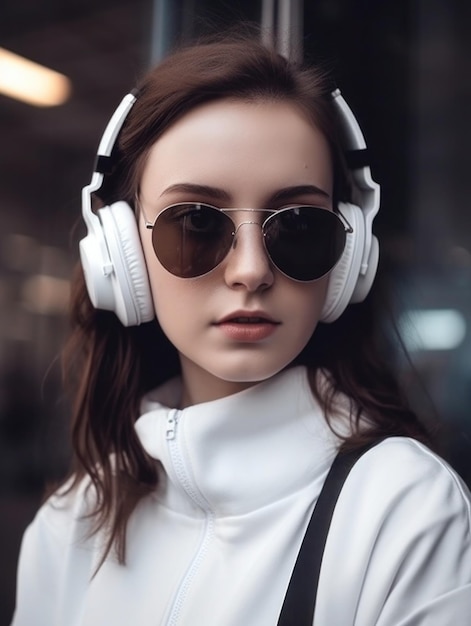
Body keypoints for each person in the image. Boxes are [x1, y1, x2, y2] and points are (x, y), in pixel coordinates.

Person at [11, 34, 471, 626]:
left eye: (299, 225)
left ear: (348, 261)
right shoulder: (69, 523)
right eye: (197, 223)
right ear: (119, 253)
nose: (251, 270)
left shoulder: (405, 510)